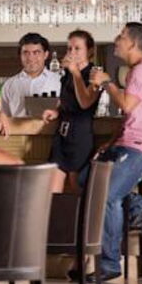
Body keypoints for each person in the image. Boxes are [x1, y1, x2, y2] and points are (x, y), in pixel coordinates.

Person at [85, 22, 142, 282]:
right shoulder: (135, 71)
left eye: (121, 36)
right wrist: (111, 141)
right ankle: (139, 205)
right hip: (127, 143)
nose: (116, 40)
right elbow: (131, 116)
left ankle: (110, 264)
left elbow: (127, 105)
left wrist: (106, 82)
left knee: (108, 196)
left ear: (132, 43)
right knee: (85, 179)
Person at [40, 30, 102, 193]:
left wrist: (75, 72)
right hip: (61, 135)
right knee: (51, 192)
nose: (72, 52)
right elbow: (66, 100)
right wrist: (56, 111)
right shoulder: (67, 73)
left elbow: (85, 103)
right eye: (69, 48)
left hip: (80, 136)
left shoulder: (95, 74)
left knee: (77, 190)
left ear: (89, 51)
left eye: (77, 48)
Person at [0, 33, 61, 118]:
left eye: (36, 52)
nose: (31, 58)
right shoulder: (9, 85)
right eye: (26, 53)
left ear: (45, 55)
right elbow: (5, 117)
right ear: (20, 55)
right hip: (17, 127)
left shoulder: (59, 82)